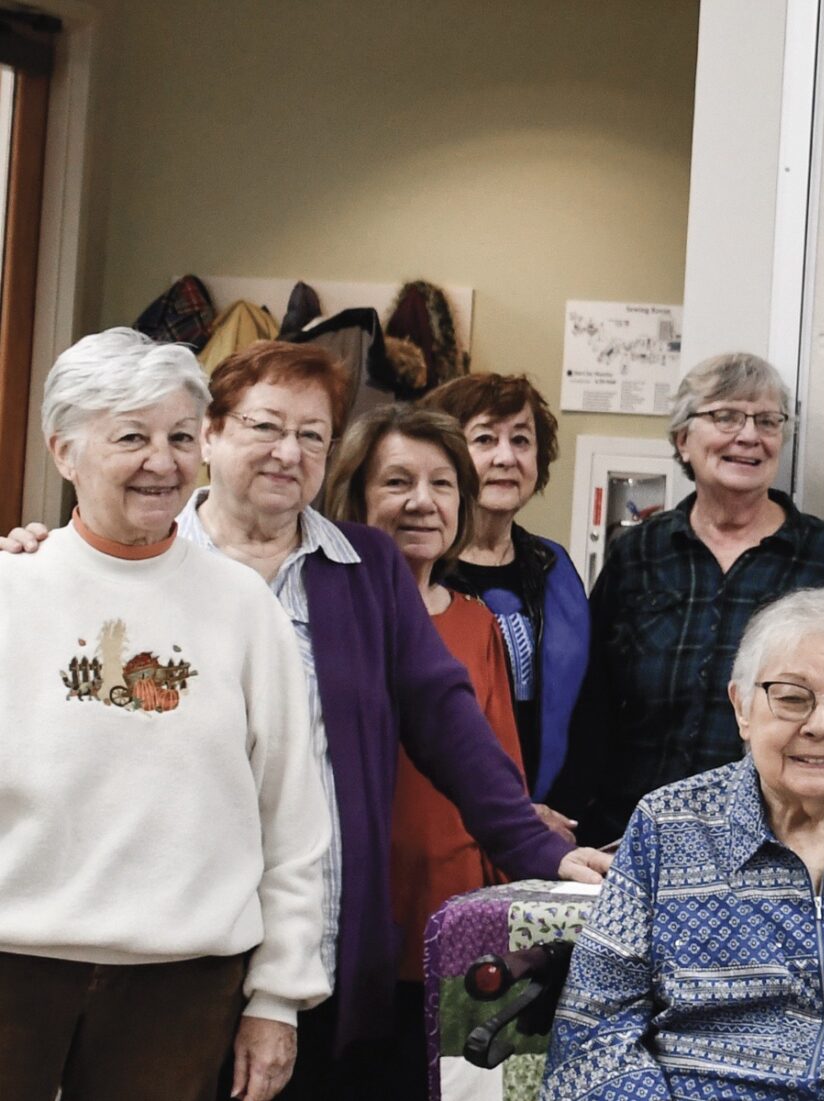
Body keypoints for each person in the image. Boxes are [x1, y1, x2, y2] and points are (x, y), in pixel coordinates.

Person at [3, 339, 609, 1097]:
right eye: (264, 426)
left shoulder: (347, 573)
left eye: (313, 435)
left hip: (272, 943)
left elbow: (445, 726)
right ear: (216, 434)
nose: (288, 452)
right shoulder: (45, 575)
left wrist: (533, 845)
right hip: (70, 941)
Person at [0, 329, 331, 1101]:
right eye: (131, 437)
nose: (164, 460)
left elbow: (293, 823)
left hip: (181, 987)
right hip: (12, 965)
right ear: (64, 451)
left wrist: (278, 997)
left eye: (182, 436)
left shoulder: (245, 608)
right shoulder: (10, 593)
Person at [545, 588, 824, 1100]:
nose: (821, 726)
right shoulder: (668, 825)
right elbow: (594, 1028)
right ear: (742, 707)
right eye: (791, 698)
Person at [555, 353, 824, 843]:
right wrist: (569, 819)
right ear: (683, 439)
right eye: (726, 416)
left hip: (775, 841)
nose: (749, 435)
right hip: (632, 833)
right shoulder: (638, 553)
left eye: (767, 421)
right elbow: (593, 703)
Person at [320, 405, 538, 1070]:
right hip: (345, 910)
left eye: (442, 484)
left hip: (451, 915)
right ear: (353, 494)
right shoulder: (320, 608)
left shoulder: (479, 623)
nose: (423, 502)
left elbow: (502, 775)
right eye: (397, 482)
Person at [419, 373, 587, 800]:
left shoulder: (555, 566)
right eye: (485, 440)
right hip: (445, 809)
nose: (506, 457)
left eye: (521, 441)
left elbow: (591, 705)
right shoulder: (418, 570)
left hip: (554, 817)